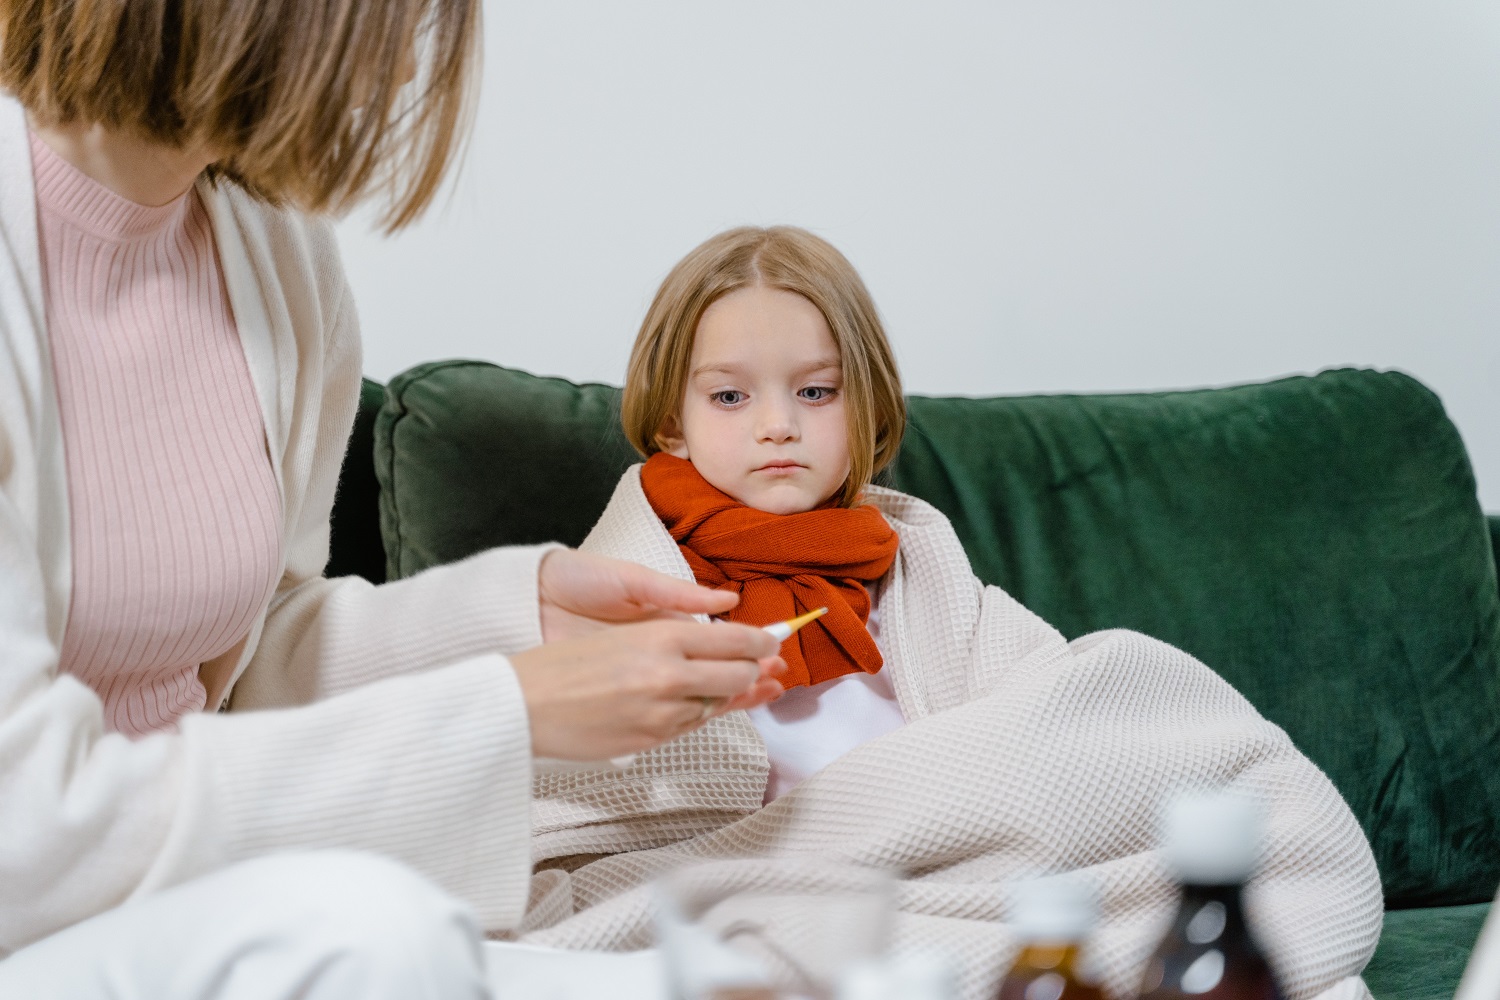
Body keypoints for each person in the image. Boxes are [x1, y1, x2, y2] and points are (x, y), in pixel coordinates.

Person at [0, 3, 785, 997]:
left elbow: (247, 664)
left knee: (720, 979)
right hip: (36, 915)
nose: (408, 79)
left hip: (178, 904)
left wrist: (517, 624)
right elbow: (23, 831)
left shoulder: (273, 252)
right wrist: (504, 710)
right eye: (394, 23)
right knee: (377, 934)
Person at [521, 227, 1383, 1000]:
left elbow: (1054, 733)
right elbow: (569, 816)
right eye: (731, 398)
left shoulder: (917, 572)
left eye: (816, 393)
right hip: (765, 894)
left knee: (1242, 834)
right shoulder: (612, 598)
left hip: (949, 883)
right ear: (672, 422)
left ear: (867, 406)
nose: (778, 426)